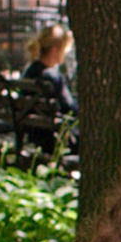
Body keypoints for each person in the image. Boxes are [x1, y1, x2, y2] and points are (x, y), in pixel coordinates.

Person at [22, 25, 79, 158]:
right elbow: (71, 109)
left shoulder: (29, 71)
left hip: (34, 135)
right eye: (64, 50)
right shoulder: (52, 77)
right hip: (54, 138)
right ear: (55, 50)